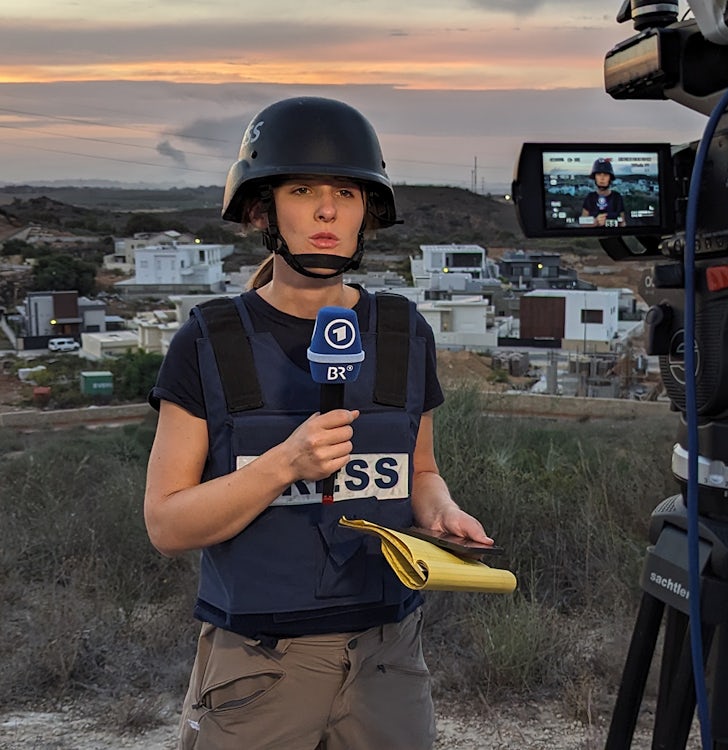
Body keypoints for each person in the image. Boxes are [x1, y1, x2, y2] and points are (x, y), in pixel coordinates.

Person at [143, 96, 492, 750]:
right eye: (303, 190)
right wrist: (285, 464)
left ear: (368, 211)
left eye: (346, 192)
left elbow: (420, 469)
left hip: (388, 656)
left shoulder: (402, 331)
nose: (328, 209)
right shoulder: (208, 340)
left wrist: (440, 510)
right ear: (261, 209)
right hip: (259, 667)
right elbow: (165, 523)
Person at [579, 158, 627, 227]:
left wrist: (613, 222)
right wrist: (595, 222)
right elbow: (582, 223)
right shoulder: (590, 197)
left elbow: (623, 222)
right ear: (595, 177)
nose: (602, 178)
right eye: (598, 174)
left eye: (605, 174)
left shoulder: (617, 197)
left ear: (610, 177)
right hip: (594, 236)